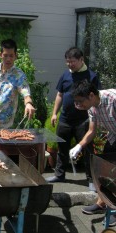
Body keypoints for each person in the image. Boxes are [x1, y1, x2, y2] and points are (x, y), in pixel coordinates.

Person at [45, 47, 102, 192]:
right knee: (62, 148)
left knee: (87, 150)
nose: (70, 65)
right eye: (68, 62)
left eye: (73, 62)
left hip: (83, 120)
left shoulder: (91, 76)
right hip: (65, 118)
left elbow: (97, 96)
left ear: (81, 60)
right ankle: (59, 175)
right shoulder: (65, 75)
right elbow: (59, 95)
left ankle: (91, 179)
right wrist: (54, 113)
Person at [70, 80, 116, 226]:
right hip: (114, 137)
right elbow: (91, 131)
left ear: (91, 95)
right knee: (105, 170)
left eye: (80, 101)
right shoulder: (92, 106)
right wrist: (79, 146)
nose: (78, 105)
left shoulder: (113, 99)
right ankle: (102, 203)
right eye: (76, 102)